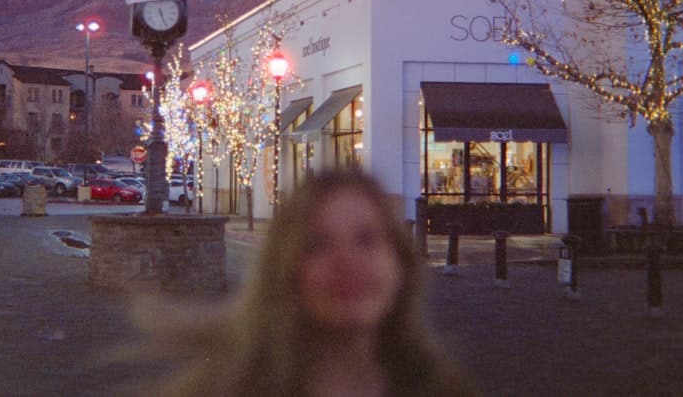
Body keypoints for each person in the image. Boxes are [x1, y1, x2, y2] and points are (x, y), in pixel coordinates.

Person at [138, 169, 478, 397]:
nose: (347, 262)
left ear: (401, 261)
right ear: (284, 268)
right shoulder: (232, 387)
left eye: (366, 239)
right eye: (317, 244)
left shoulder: (441, 385)